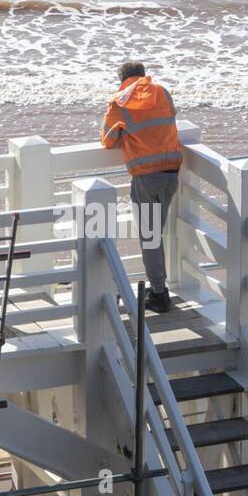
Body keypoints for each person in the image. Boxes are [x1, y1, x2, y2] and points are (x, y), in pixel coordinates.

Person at [100, 60, 183, 312]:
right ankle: (159, 287)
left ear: (121, 79)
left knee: (149, 238)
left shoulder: (119, 101)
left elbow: (107, 140)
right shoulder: (162, 92)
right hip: (171, 173)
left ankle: (159, 294)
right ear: (144, 76)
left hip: (146, 177)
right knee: (155, 236)